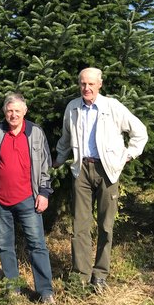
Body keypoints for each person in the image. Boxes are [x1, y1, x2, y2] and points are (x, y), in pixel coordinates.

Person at [54, 68, 148, 291]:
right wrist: (58, 158)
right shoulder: (73, 108)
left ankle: (100, 274)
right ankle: (81, 275)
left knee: (106, 225)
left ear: (100, 85)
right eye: (83, 84)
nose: (86, 88)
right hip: (81, 170)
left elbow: (140, 132)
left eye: (91, 84)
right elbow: (66, 138)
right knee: (80, 226)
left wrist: (127, 155)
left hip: (107, 171)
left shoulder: (112, 107)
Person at [0, 93, 55, 304]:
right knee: (5, 246)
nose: (13, 115)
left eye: (17, 111)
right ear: (5, 112)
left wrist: (44, 192)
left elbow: (46, 166)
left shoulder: (35, 133)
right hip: (1, 200)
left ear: (25, 111)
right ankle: (13, 287)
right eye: (9, 111)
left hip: (29, 200)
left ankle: (45, 291)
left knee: (37, 245)